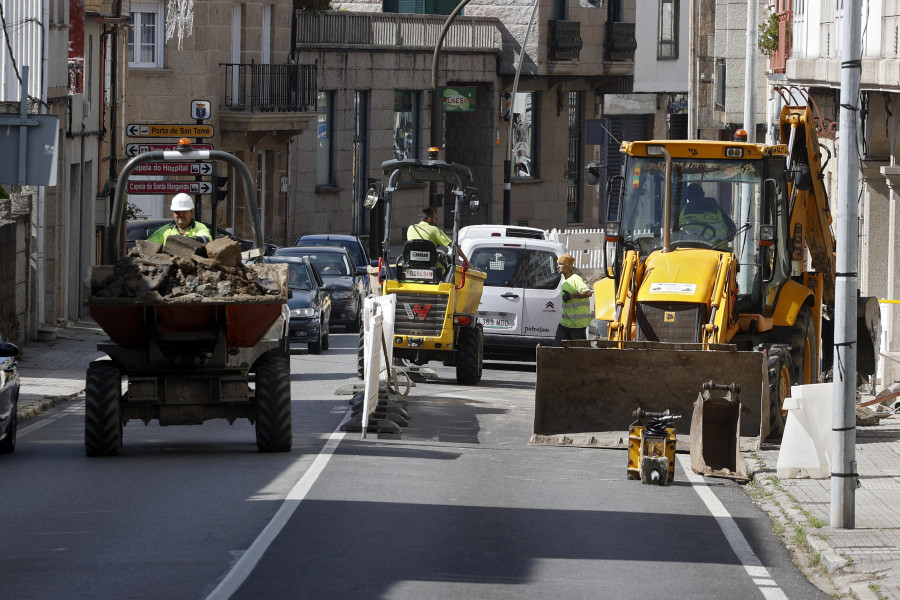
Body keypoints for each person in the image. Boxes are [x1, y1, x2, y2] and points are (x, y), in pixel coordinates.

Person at [678, 183, 737, 247]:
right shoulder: (717, 210)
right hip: (719, 252)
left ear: (687, 197)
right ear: (703, 194)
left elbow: (674, 233)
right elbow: (732, 232)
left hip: (690, 250)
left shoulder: (682, 211)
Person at [147, 193, 212, 246]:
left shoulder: (200, 228)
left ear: (191, 213)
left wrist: (187, 240)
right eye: (177, 212)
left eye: (184, 211)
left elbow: (207, 241)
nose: (181, 215)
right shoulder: (164, 231)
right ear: (173, 214)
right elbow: (148, 246)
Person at [555, 253, 592, 345]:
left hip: (577, 324)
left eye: (561, 264)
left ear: (567, 266)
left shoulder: (575, 279)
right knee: (558, 347)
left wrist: (571, 296)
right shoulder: (564, 280)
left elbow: (588, 292)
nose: (558, 266)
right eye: (558, 264)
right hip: (566, 323)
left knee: (578, 352)